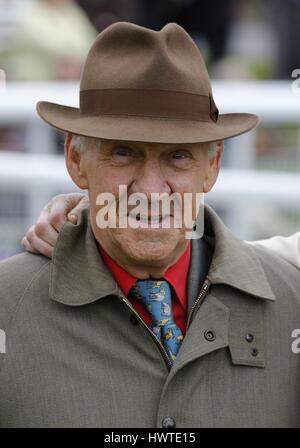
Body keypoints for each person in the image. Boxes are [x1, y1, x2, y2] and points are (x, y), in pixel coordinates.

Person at [0, 22, 300, 428]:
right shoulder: (8, 308)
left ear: (212, 166)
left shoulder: (290, 303)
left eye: (178, 156)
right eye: (123, 153)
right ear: (76, 160)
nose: (152, 190)